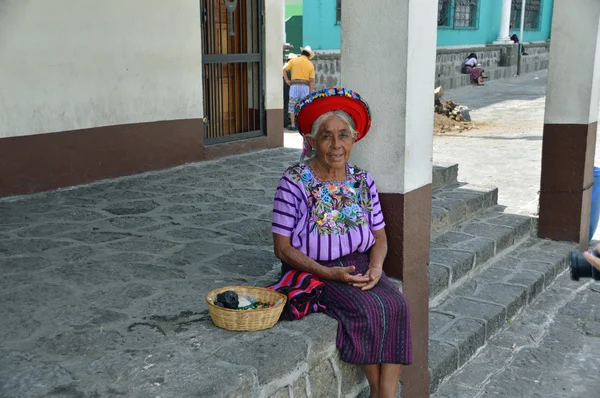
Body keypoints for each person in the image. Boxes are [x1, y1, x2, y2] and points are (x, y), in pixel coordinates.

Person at [271, 88, 411, 398]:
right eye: (326, 136)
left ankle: (385, 394)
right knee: (367, 309)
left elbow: (380, 236)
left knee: (397, 304)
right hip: (314, 269)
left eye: (343, 135)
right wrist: (328, 272)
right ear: (312, 141)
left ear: (354, 138)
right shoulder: (293, 181)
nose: (336, 145)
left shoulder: (363, 180)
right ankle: (381, 393)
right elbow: (282, 248)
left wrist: (376, 267)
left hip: (360, 263)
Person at [283, 46, 315, 131]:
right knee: (303, 106)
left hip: (294, 85)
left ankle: (293, 124)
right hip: (305, 87)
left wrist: (287, 80)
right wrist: (310, 92)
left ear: (302, 53)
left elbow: (284, 69)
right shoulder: (310, 64)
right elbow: (311, 80)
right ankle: (301, 124)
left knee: (292, 105)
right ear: (308, 56)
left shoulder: (294, 60)